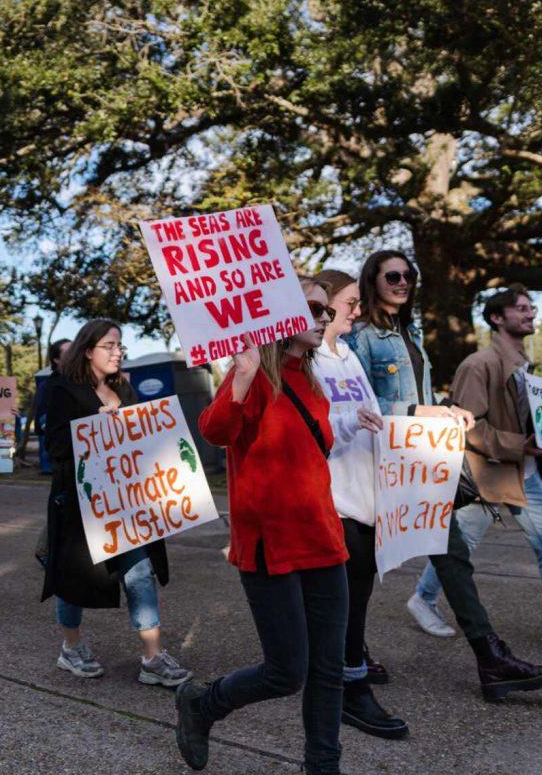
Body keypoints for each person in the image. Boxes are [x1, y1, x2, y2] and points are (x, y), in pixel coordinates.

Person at [347, 251, 542, 701]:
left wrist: (444, 411)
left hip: (419, 460)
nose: (403, 281)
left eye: (409, 274)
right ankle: (349, 653)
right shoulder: (361, 336)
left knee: (453, 555)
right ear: (373, 280)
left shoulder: (412, 331)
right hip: (377, 464)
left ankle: (491, 659)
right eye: (393, 275)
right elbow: (355, 403)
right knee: (361, 568)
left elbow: (421, 394)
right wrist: (419, 410)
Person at [175, 278, 347, 774]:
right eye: (314, 308)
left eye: (327, 312)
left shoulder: (311, 380)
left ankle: (323, 765)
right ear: (282, 316)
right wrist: (244, 377)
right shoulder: (251, 371)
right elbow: (214, 431)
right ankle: (203, 704)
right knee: (286, 672)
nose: (324, 319)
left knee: (328, 671)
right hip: (270, 543)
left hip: (324, 539)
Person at [410, 284, 542, 663]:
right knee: (461, 549)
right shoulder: (478, 365)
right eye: (521, 308)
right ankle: (422, 599)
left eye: (531, 307)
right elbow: (468, 426)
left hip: (530, 473)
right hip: (490, 476)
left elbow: (526, 418)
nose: (531, 313)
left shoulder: (525, 368)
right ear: (496, 318)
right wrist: (521, 443)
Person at [42, 319, 192, 687]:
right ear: (88, 349)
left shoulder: (123, 388)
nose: (117, 351)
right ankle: (71, 647)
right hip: (81, 503)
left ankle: (153, 658)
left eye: (119, 345)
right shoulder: (61, 389)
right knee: (74, 577)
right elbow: (56, 446)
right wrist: (92, 423)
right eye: (109, 345)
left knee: (140, 572)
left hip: (125, 501)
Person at [313, 270, 408, 739]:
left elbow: (373, 414)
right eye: (350, 302)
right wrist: (350, 421)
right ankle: (349, 687)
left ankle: (343, 674)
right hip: (333, 499)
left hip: (367, 495)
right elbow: (315, 424)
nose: (356, 309)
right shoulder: (309, 360)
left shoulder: (347, 354)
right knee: (343, 601)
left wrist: (431, 417)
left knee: (358, 596)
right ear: (326, 305)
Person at [34, 339, 71, 475]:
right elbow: (41, 423)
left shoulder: (89, 381)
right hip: (65, 459)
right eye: (68, 352)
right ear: (56, 359)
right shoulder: (48, 386)